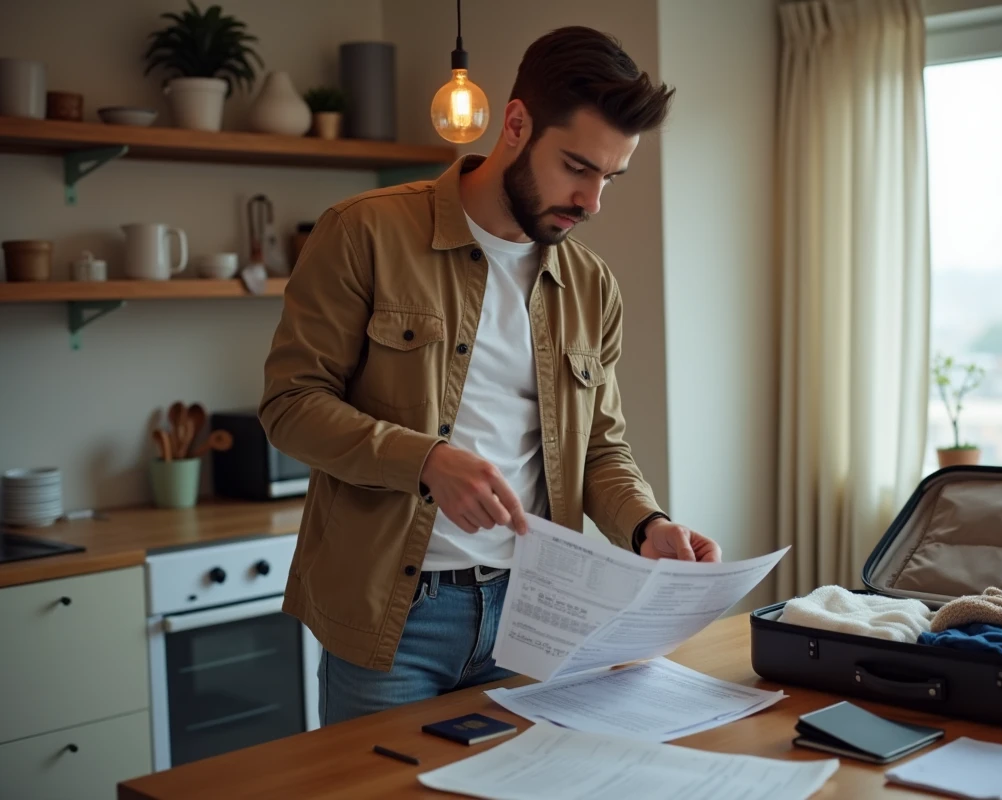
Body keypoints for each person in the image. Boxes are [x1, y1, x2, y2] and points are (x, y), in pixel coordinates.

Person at [259, 25, 721, 726]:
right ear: (514, 124)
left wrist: (645, 525)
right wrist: (427, 462)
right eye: (576, 166)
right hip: (396, 621)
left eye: (610, 177)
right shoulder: (365, 232)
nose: (592, 200)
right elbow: (290, 404)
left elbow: (600, 449)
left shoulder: (592, 287)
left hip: (532, 615)